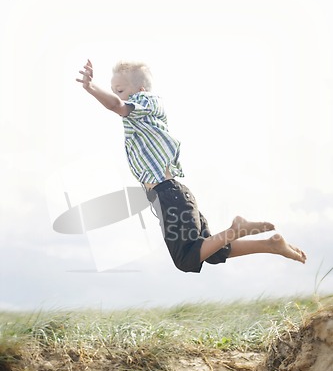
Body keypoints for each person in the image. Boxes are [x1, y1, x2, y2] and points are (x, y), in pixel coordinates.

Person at [76, 59, 307, 273]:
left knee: (186, 260)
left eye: (120, 90)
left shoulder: (145, 102)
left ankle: (237, 229)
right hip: (171, 195)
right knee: (213, 252)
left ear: (140, 90)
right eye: (114, 90)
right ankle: (271, 244)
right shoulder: (140, 119)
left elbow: (116, 105)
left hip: (169, 194)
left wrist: (91, 87)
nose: (117, 95)